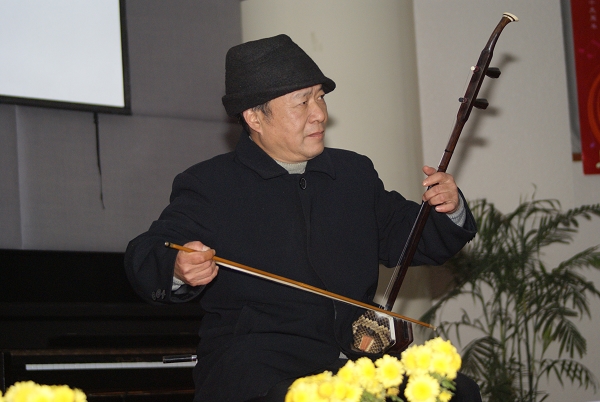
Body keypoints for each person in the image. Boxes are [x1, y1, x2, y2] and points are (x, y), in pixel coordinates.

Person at [125, 34, 479, 402]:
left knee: (458, 393)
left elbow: (412, 237)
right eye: (302, 102)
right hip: (262, 369)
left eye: (320, 97)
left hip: (358, 361)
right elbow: (147, 252)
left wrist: (448, 208)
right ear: (254, 117)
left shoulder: (353, 173)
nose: (320, 114)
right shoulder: (210, 184)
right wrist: (177, 266)